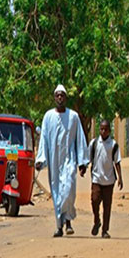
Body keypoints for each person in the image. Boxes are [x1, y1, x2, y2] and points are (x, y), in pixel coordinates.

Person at [35, 84, 88, 237]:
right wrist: (41, 159)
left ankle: (68, 221)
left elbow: (80, 139)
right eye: (57, 95)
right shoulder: (48, 116)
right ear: (54, 97)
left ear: (66, 98)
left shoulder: (73, 116)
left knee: (69, 189)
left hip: (69, 159)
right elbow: (44, 139)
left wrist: (82, 162)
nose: (60, 98)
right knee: (57, 192)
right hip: (54, 160)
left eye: (62, 95)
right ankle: (60, 226)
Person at [87, 120, 123, 239]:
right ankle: (97, 220)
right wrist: (83, 168)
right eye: (101, 129)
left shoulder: (113, 145)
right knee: (94, 200)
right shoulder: (94, 143)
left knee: (107, 206)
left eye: (105, 129)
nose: (103, 131)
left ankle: (105, 230)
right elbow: (88, 158)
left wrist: (120, 178)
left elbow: (117, 162)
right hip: (97, 178)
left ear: (109, 130)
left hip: (109, 180)